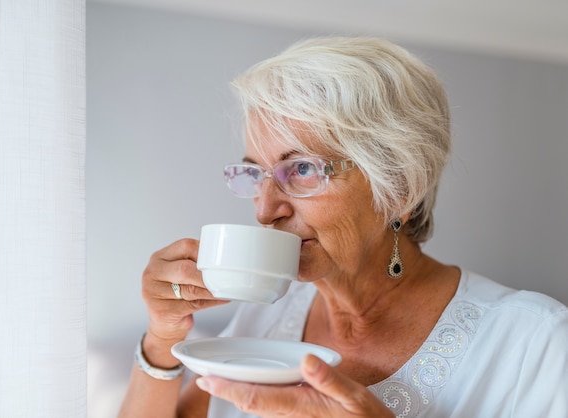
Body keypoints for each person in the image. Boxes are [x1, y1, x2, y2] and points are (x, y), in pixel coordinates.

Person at [118, 37, 568, 418]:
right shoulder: (269, 313)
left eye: (302, 170)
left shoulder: (535, 343)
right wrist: (162, 339)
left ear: (399, 187)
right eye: (255, 173)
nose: (264, 211)